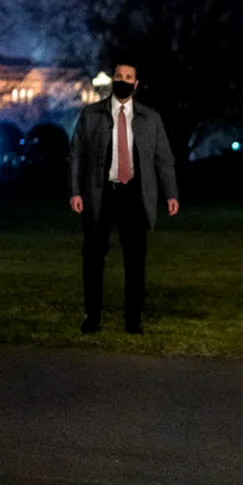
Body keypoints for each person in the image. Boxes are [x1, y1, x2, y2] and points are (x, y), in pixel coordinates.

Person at [68, 61, 179, 335]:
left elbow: (164, 159)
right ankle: (92, 316)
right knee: (93, 258)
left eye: (128, 77)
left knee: (135, 260)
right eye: (119, 76)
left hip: (135, 196)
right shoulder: (91, 114)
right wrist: (75, 191)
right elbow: (76, 155)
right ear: (112, 80)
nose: (123, 80)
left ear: (136, 84)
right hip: (100, 194)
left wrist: (171, 193)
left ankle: (133, 319)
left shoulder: (150, 118)